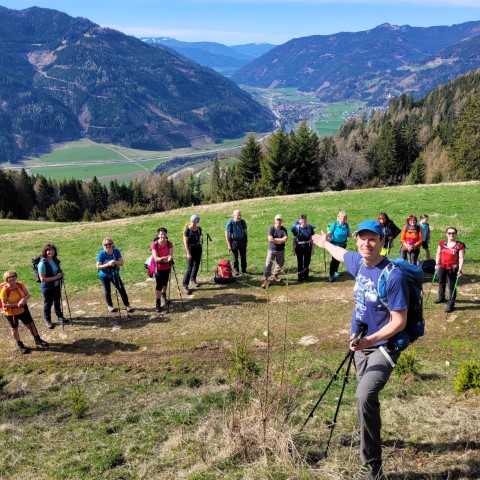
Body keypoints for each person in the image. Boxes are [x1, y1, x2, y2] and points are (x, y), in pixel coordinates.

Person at [312, 221, 408, 480]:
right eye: (362, 239)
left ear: (382, 242)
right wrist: (325, 244)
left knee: (364, 396)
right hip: (360, 346)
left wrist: (371, 340)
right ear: (357, 241)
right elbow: (341, 255)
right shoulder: (358, 262)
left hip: (384, 347)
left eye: (372, 239)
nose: (367, 243)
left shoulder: (392, 276)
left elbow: (400, 321)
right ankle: (367, 436)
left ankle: (373, 467)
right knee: (366, 400)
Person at [1, 270, 49, 354]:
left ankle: (37, 340)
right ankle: (20, 344)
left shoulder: (20, 284)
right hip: (11, 313)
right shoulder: (4, 290)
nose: (12, 278)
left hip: (23, 309)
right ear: (6, 279)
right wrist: (17, 304)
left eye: (13, 276)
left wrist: (23, 299)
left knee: (31, 325)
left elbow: (28, 295)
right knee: (14, 330)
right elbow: (4, 305)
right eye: (9, 277)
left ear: (16, 277)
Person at [96, 238, 134, 313]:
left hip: (115, 274)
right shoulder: (102, 254)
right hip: (104, 275)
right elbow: (98, 266)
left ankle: (127, 305)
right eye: (106, 245)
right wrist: (107, 264)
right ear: (103, 246)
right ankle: (110, 306)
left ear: (112, 244)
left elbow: (121, 263)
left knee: (121, 289)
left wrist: (114, 262)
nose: (108, 246)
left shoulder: (116, 251)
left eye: (109, 244)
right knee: (107, 290)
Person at [434, 227, 465, 313]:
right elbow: (438, 253)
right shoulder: (442, 243)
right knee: (441, 281)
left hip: (452, 268)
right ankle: (441, 297)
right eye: (449, 233)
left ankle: (451, 303)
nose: (451, 234)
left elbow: (461, 258)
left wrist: (460, 269)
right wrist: (437, 263)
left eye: (453, 233)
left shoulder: (460, 245)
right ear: (446, 234)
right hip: (442, 266)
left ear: (456, 234)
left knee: (451, 286)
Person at [38, 243, 68, 329]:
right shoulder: (42, 264)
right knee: (48, 303)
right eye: (48, 250)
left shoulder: (54, 260)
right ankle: (47, 320)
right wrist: (56, 277)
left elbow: (57, 270)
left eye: (52, 250)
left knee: (57, 301)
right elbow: (42, 279)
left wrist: (61, 274)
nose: (51, 252)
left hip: (57, 285)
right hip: (47, 287)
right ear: (45, 251)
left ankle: (60, 316)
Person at [261, 214, 288, 288]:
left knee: (280, 263)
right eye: (277, 219)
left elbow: (285, 239)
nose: (278, 221)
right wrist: (280, 240)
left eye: (280, 220)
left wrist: (275, 240)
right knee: (268, 264)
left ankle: (275, 275)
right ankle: (265, 279)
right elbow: (270, 239)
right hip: (272, 250)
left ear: (281, 221)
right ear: (275, 220)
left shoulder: (283, 229)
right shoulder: (271, 228)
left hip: (281, 250)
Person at [151, 228, 173, 312]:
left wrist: (163, 258)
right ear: (158, 235)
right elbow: (156, 259)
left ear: (166, 235)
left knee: (165, 282)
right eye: (161, 234)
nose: (163, 236)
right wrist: (166, 258)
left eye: (164, 234)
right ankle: (158, 302)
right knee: (159, 284)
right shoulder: (154, 245)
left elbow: (171, 256)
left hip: (167, 267)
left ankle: (164, 296)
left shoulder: (169, 244)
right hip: (158, 268)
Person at [326, 211, 352, 282]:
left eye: (344, 217)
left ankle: (335, 271)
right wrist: (325, 237)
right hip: (335, 245)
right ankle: (331, 275)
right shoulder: (334, 225)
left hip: (343, 245)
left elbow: (348, 234)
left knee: (339, 259)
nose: (343, 218)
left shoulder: (346, 226)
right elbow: (329, 233)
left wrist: (354, 234)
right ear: (338, 218)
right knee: (334, 260)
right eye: (341, 217)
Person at [290, 214, 315, 282]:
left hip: (307, 248)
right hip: (299, 248)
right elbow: (294, 239)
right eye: (301, 219)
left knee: (307, 263)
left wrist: (313, 248)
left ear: (306, 220)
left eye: (304, 219)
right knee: (300, 263)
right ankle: (300, 277)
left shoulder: (310, 228)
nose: (303, 221)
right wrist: (293, 249)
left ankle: (306, 277)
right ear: (299, 221)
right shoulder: (296, 228)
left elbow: (312, 239)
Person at [183, 215, 202, 294]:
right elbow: (185, 242)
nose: (193, 223)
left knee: (196, 265)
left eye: (195, 221)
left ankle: (193, 279)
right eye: (192, 221)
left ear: (197, 222)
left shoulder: (199, 229)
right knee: (189, 268)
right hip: (190, 249)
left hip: (198, 248)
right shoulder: (187, 230)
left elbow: (199, 238)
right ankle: (185, 285)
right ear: (190, 221)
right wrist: (188, 253)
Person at [225, 210, 248, 276]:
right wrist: (228, 245)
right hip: (233, 242)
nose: (239, 216)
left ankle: (244, 271)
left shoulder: (243, 222)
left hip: (242, 241)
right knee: (235, 257)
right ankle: (236, 271)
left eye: (240, 215)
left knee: (243, 256)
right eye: (238, 215)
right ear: (233, 216)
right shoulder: (230, 222)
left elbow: (246, 232)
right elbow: (226, 234)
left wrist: (246, 241)